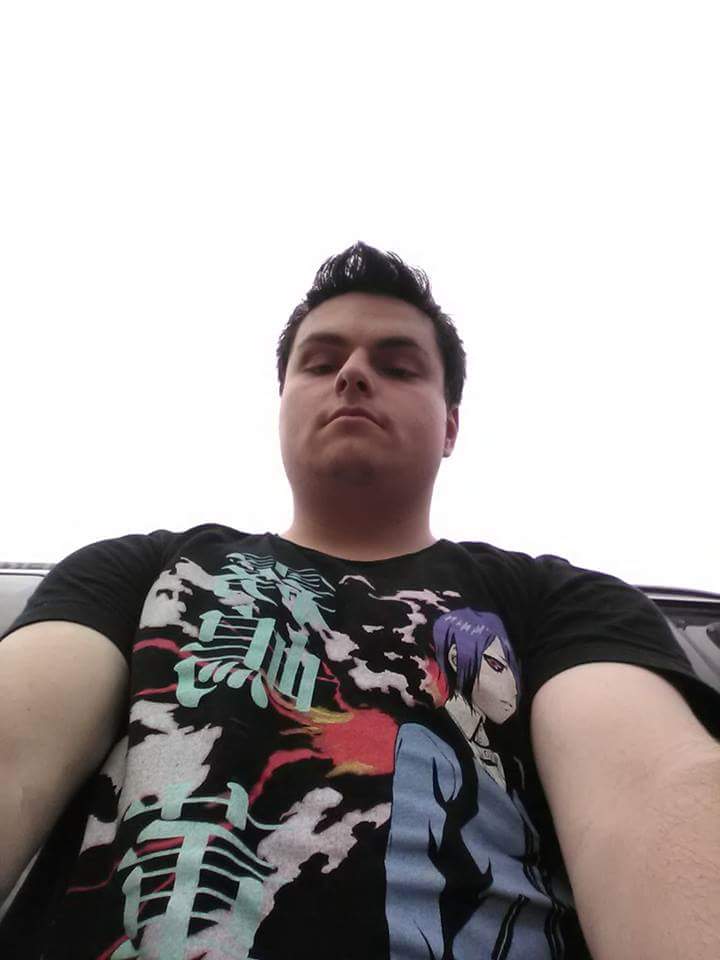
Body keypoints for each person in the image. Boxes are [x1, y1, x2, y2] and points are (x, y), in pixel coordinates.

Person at [0, 241, 717, 959]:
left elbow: (649, 792)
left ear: (450, 426)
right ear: (283, 404)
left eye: (398, 367)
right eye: (320, 363)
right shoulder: (137, 572)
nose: (352, 374)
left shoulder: (560, 602)